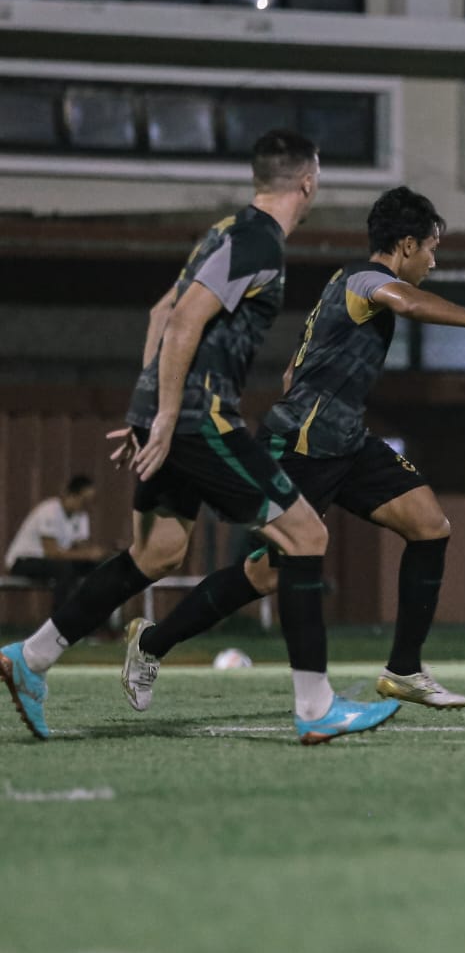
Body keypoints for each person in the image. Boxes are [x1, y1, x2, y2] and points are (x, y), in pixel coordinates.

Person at [0, 129, 400, 745]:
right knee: (305, 534)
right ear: (308, 181)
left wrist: (145, 410)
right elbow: (184, 318)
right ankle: (317, 707)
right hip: (199, 417)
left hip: (171, 414)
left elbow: (161, 312)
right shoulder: (259, 240)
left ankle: (32, 656)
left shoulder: (224, 230)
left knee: (157, 552)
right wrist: (164, 416)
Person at [116, 186, 465, 713]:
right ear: (405, 245)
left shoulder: (345, 285)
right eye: (430, 247)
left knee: (430, 525)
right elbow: (405, 301)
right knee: (266, 573)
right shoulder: (366, 279)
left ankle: (404, 669)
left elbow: (296, 369)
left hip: (345, 441)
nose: (434, 259)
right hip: (302, 446)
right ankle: (151, 643)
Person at [5, 475, 110, 609]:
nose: (87, 505)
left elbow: (82, 549)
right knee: (65, 570)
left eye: (90, 501)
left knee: (99, 568)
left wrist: (99, 554)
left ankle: (99, 619)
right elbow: (52, 553)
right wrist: (88, 554)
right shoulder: (49, 511)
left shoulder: (81, 515)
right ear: (70, 495)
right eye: (84, 501)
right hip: (23, 561)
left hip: (50, 563)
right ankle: (59, 622)